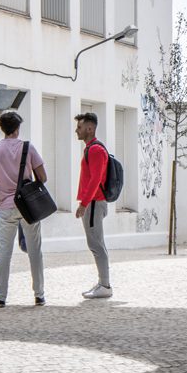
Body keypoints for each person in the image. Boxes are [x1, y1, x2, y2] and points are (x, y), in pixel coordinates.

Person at [0, 110, 47, 307]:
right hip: (28, 206)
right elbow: (43, 177)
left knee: (4, 251)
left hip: (5, 206)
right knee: (35, 250)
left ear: (2, 129)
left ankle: (1, 296)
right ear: (17, 129)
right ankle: (39, 294)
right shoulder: (28, 147)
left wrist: (1, 190)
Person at [74, 110, 113, 299]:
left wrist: (84, 203)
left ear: (90, 128)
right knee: (96, 243)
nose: (76, 130)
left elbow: (96, 179)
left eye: (80, 127)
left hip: (95, 203)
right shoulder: (91, 148)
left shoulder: (95, 150)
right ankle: (102, 283)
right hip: (94, 202)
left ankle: (105, 285)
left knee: (96, 244)